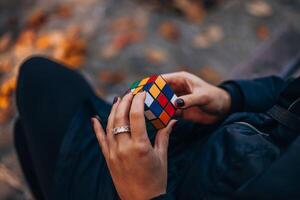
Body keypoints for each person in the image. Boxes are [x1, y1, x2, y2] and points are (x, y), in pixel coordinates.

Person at [14, 56, 300, 200]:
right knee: (24, 132)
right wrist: (230, 98)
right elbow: (289, 91)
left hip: (161, 191)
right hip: (203, 144)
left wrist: (144, 194)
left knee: (39, 79)